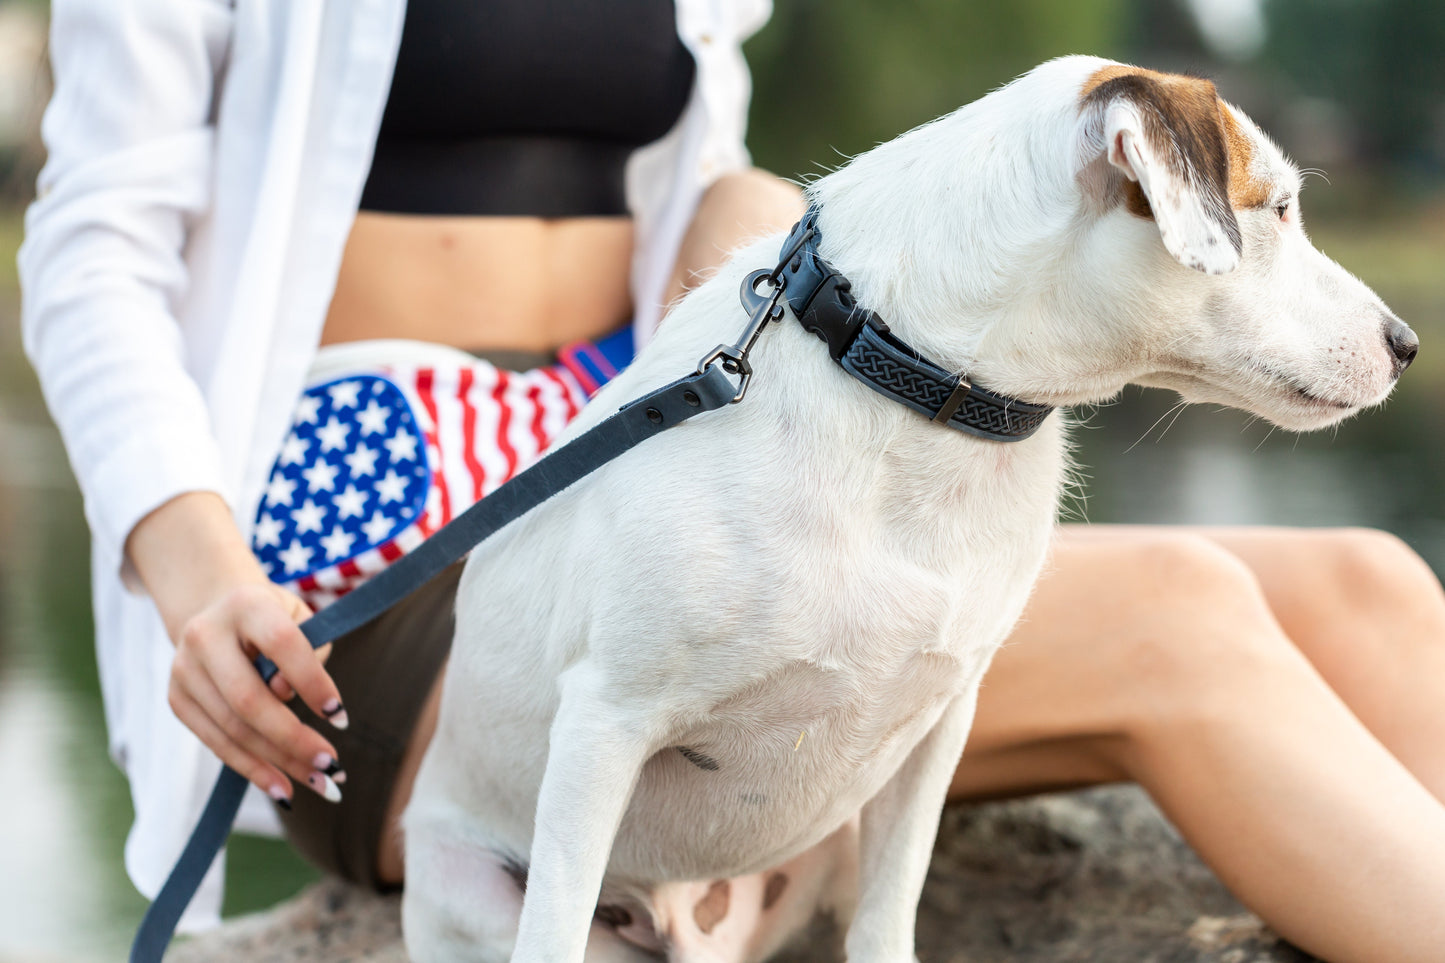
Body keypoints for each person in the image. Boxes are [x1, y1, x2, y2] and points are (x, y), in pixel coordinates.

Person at [17, 2, 1445, 960]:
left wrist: (821, 260)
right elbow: (94, 252)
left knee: (1358, 582)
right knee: (1177, 614)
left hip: (637, 459)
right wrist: (195, 577)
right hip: (377, 547)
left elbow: (703, 186)